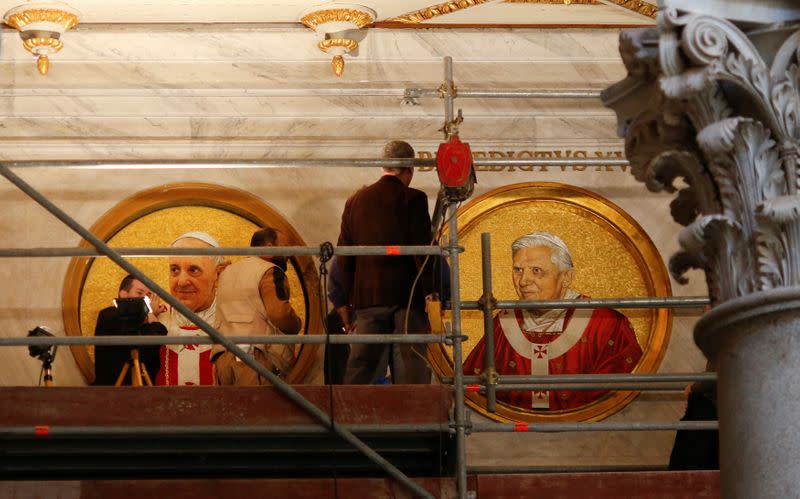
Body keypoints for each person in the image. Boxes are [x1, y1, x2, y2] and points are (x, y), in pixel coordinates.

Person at [463, 231, 643, 410]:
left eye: (536, 270)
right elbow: (472, 385)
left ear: (566, 277)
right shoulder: (504, 320)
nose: (523, 281)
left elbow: (618, 400)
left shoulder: (607, 324)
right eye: (518, 270)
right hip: (510, 432)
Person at [337, 140, 437, 385]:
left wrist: (347, 302)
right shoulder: (414, 198)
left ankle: (353, 417)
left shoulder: (355, 201)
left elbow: (344, 254)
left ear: (382, 167)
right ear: (409, 169)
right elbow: (421, 250)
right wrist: (430, 292)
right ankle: (412, 419)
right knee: (410, 362)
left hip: (368, 297)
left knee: (364, 364)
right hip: (407, 298)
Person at [213, 227, 302, 385]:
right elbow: (279, 313)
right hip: (254, 358)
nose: (289, 255)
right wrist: (296, 323)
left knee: (229, 408)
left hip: (224, 357)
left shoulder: (227, 272)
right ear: (269, 248)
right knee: (259, 408)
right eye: (285, 248)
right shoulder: (269, 271)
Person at [155, 231, 226, 386]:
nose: (181, 282)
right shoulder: (155, 321)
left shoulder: (233, 322)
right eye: (174, 269)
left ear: (218, 275)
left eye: (193, 270)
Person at [94, 275, 167, 385]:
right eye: (139, 293)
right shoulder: (109, 315)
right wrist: (151, 313)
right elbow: (149, 345)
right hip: (114, 391)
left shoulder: (144, 320)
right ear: (123, 294)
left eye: (148, 295)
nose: (145, 299)